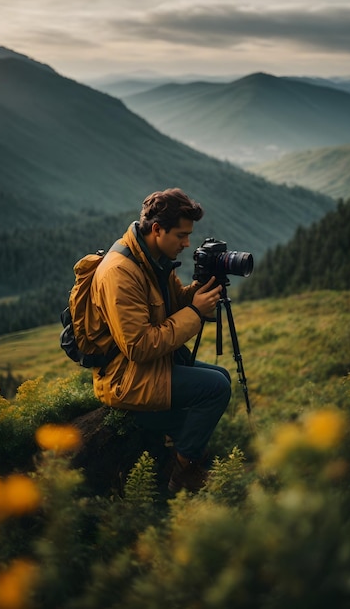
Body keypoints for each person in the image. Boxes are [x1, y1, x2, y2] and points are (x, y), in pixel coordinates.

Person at [86, 188, 232, 492]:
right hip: (124, 377)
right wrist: (195, 312)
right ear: (156, 229)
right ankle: (182, 471)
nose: (186, 243)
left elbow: (174, 302)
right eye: (181, 235)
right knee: (215, 388)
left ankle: (178, 446)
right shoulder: (120, 273)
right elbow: (138, 346)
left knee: (220, 375)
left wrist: (200, 290)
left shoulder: (152, 258)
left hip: (143, 368)